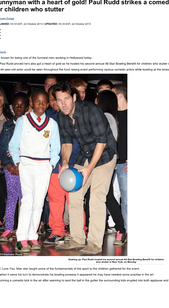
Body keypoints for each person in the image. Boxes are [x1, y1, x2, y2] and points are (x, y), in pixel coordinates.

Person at [52, 82, 117, 255]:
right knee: (74, 195)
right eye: (59, 100)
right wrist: (65, 162)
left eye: (66, 98)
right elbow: (66, 143)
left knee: (96, 197)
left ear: (74, 97)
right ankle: (76, 239)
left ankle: (95, 243)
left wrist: (88, 170)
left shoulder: (91, 110)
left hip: (105, 154)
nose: (63, 104)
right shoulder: (62, 117)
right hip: (85, 153)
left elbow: (102, 142)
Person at [9, 89, 60, 253]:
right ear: (31, 102)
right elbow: (13, 144)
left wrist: (51, 164)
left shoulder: (52, 123)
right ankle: (21, 238)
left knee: (39, 203)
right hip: (26, 165)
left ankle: (32, 235)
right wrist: (18, 162)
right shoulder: (23, 121)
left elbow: (56, 147)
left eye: (44, 102)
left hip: (44, 167)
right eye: (37, 101)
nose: (41, 105)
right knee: (28, 201)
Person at [43, 85, 80, 244]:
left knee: (74, 200)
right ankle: (57, 230)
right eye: (53, 99)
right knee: (55, 199)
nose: (57, 102)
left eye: (62, 99)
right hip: (54, 164)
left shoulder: (76, 114)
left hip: (74, 163)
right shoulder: (47, 116)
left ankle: (79, 231)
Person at [97, 90, 127, 245]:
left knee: (107, 197)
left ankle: (121, 229)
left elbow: (104, 142)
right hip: (105, 162)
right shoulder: (111, 117)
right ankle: (117, 229)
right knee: (104, 197)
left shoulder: (106, 117)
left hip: (103, 163)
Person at [0, 92, 29, 242]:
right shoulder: (7, 125)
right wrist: (8, 165)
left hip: (26, 168)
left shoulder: (30, 125)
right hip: (10, 168)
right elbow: (2, 147)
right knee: (11, 197)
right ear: (11, 107)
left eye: (22, 105)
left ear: (27, 107)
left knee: (25, 198)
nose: (18, 107)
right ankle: (8, 228)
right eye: (16, 105)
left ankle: (22, 229)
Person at [0, 85, 13, 230]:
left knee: (5, 191)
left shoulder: (12, 113)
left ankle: (3, 219)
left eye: (0, 94)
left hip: (7, 158)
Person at [112, 83, 128, 233]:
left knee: (126, 199)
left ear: (120, 95)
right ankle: (117, 228)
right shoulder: (112, 115)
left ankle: (127, 231)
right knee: (109, 196)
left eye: (113, 95)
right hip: (110, 162)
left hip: (125, 164)